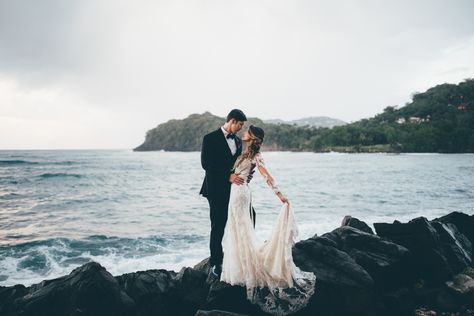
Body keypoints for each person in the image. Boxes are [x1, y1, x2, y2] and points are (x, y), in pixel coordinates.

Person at [220, 125, 316, 315]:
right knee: (237, 229)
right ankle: (240, 266)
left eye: (247, 131)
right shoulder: (245, 152)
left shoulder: (256, 155)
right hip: (235, 192)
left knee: (241, 229)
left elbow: (267, 177)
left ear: (252, 137)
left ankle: (247, 269)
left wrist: (280, 195)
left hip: (240, 195)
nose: (244, 132)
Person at [199, 109, 255, 278]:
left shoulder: (238, 142)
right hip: (215, 189)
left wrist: (246, 174)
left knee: (250, 215)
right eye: (239, 124)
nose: (240, 128)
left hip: (234, 190)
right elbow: (206, 164)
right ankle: (216, 262)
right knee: (218, 225)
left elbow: (237, 164)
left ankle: (243, 253)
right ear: (231, 121)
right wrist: (228, 175)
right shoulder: (209, 138)